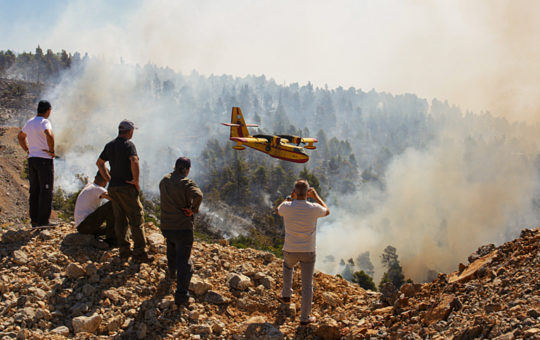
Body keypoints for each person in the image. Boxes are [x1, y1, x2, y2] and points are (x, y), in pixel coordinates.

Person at [276, 179, 330, 325]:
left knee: (288, 267)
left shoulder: (287, 206)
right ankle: (305, 318)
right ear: (307, 192)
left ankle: (286, 295)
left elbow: (278, 210)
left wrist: (289, 198)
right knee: (307, 285)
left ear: (294, 191)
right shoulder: (313, 208)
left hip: (290, 250)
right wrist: (316, 196)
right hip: (308, 251)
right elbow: (327, 211)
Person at [96, 120, 151, 262]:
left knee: (120, 219)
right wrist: (136, 180)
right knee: (136, 217)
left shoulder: (110, 145)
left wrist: (108, 178)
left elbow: (99, 163)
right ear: (130, 131)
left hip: (113, 187)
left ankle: (124, 250)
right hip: (127, 187)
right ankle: (139, 253)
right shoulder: (128, 145)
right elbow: (134, 160)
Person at [159, 157, 203, 305]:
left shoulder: (164, 180)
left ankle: (172, 273)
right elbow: (198, 195)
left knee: (171, 248)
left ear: (175, 166)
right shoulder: (186, 182)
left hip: (166, 226)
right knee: (184, 262)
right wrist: (193, 210)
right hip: (182, 228)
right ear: (187, 169)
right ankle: (181, 295)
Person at [17, 100, 56, 228]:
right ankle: (43, 222)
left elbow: (20, 137)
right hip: (44, 159)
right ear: (48, 110)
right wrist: (51, 150)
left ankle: (34, 220)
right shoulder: (44, 122)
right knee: (46, 190)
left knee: (34, 190)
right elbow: (49, 135)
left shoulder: (30, 122)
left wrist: (27, 149)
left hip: (32, 159)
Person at [74, 171, 116, 245]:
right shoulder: (98, 188)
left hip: (82, 227)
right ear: (106, 180)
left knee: (113, 228)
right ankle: (111, 240)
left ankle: (113, 235)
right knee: (112, 205)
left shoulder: (90, 186)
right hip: (85, 225)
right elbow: (113, 199)